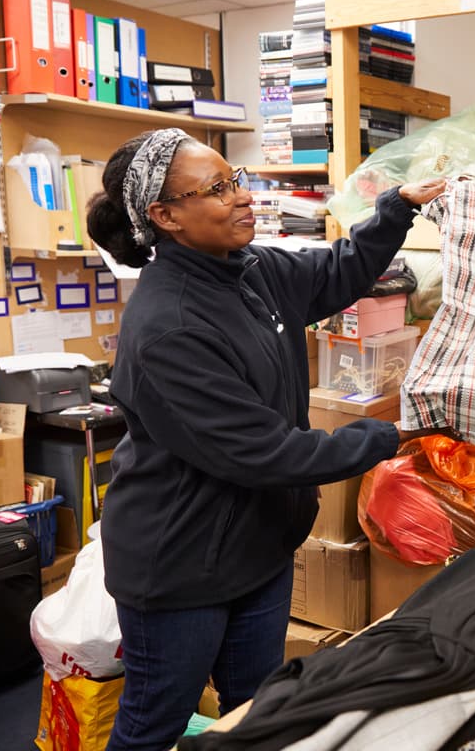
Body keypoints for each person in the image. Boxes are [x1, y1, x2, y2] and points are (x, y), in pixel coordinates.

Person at [86, 128, 446, 751]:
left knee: (257, 714)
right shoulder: (169, 327)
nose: (242, 197)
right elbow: (265, 452)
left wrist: (399, 207)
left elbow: (340, 271)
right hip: (181, 564)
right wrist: (394, 433)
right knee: (153, 725)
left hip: (259, 546)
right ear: (166, 216)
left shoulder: (248, 270)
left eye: (237, 180)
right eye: (219, 189)